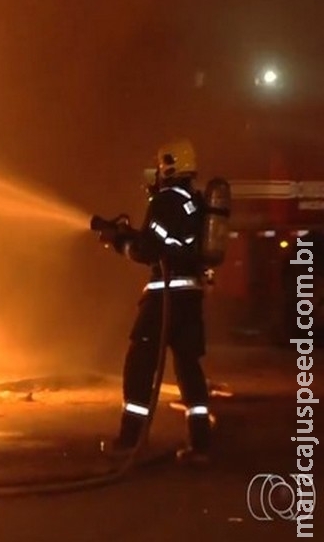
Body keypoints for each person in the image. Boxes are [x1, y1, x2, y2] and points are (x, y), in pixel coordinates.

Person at [101, 138, 212, 465]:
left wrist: (121, 243)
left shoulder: (164, 201)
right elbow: (169, 243)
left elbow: (149, 251)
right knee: (189, 367)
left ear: (168, 166)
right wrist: (132, 233)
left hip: (166, 296)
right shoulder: (195, 201)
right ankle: (201, 443)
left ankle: (130, 439)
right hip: (190, 297)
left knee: (140, 363)